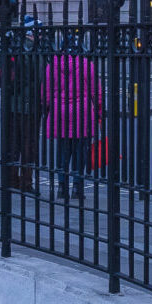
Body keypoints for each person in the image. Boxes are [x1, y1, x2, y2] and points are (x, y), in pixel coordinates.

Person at [41, 49, 102, 200]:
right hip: (82, 112)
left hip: (59, 112)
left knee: (62, 151)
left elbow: (46, 94)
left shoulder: (52, 66)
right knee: (80, 152)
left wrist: (49, 108)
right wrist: (99, 110)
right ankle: (77, 187)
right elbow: (96, 92)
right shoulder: (87, 64)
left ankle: (62, 187)